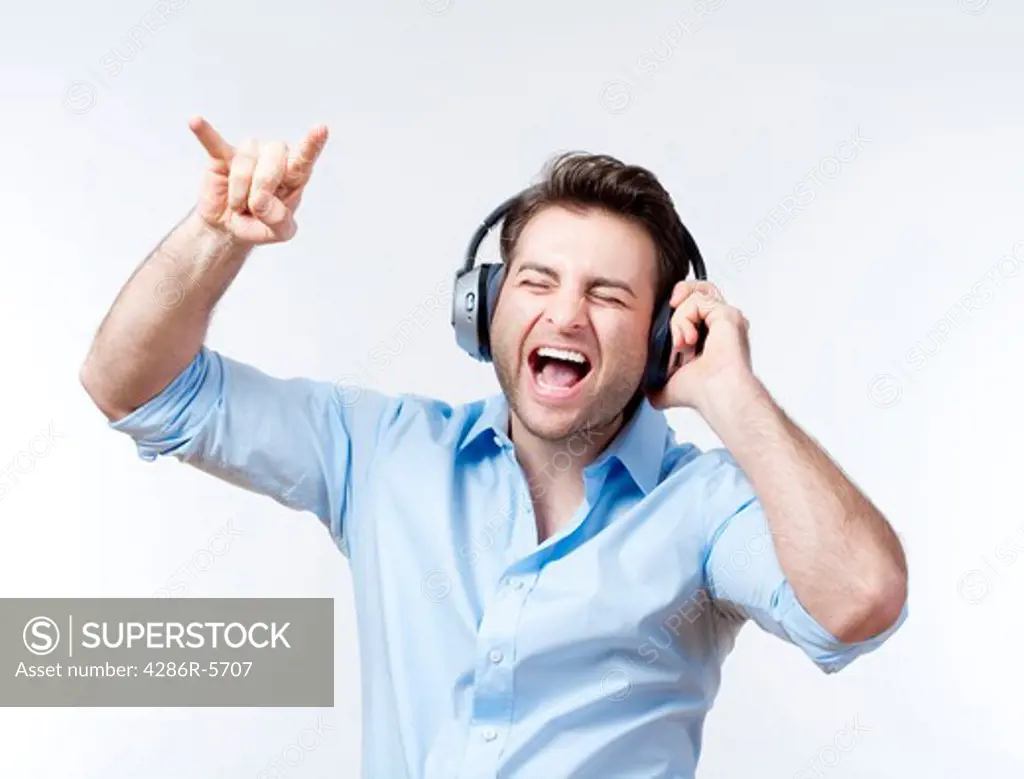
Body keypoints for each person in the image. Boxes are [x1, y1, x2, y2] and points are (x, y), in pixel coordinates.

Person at [79, 117, 909, 779]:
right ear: (484, 308)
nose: (566, 315)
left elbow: (859, 600)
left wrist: (733, 391)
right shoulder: (382, 451)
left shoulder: (705, 507)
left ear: (660, 336)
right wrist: (215, 235)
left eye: (609, 296)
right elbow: (134, 386)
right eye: (537, 281)